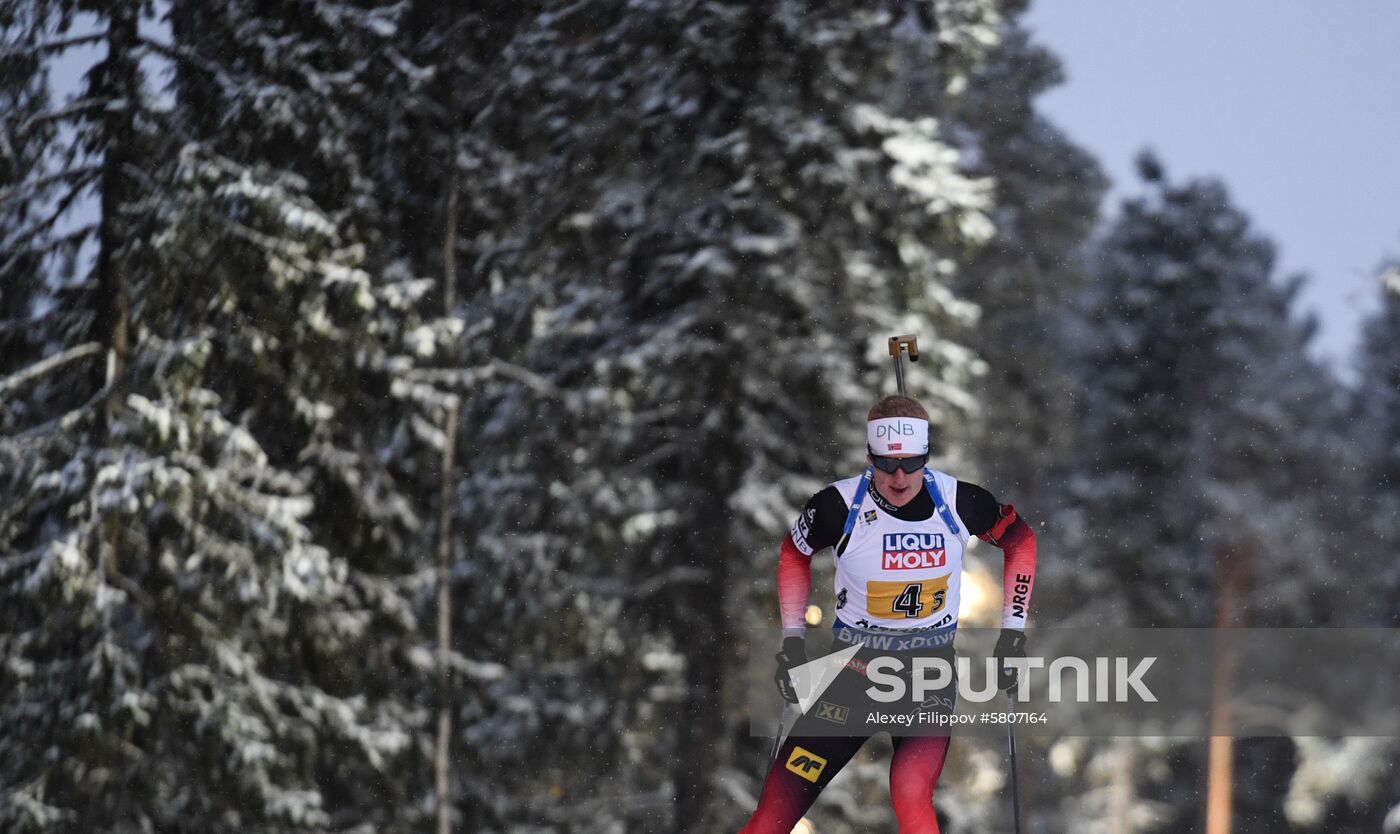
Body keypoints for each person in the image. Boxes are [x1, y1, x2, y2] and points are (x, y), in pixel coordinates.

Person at [737, 394, 1038, 834]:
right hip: (852, 673)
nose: (899, 477)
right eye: (886, 464)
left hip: (926, 676)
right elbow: (792, 555)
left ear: (926, 455)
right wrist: (792, 643)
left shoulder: (960, 501)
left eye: (912, 463)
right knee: (773, 813)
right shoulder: (838, 505)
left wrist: (1012, 634)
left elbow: (1022, 543)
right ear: (868, 456)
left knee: (911, 795)